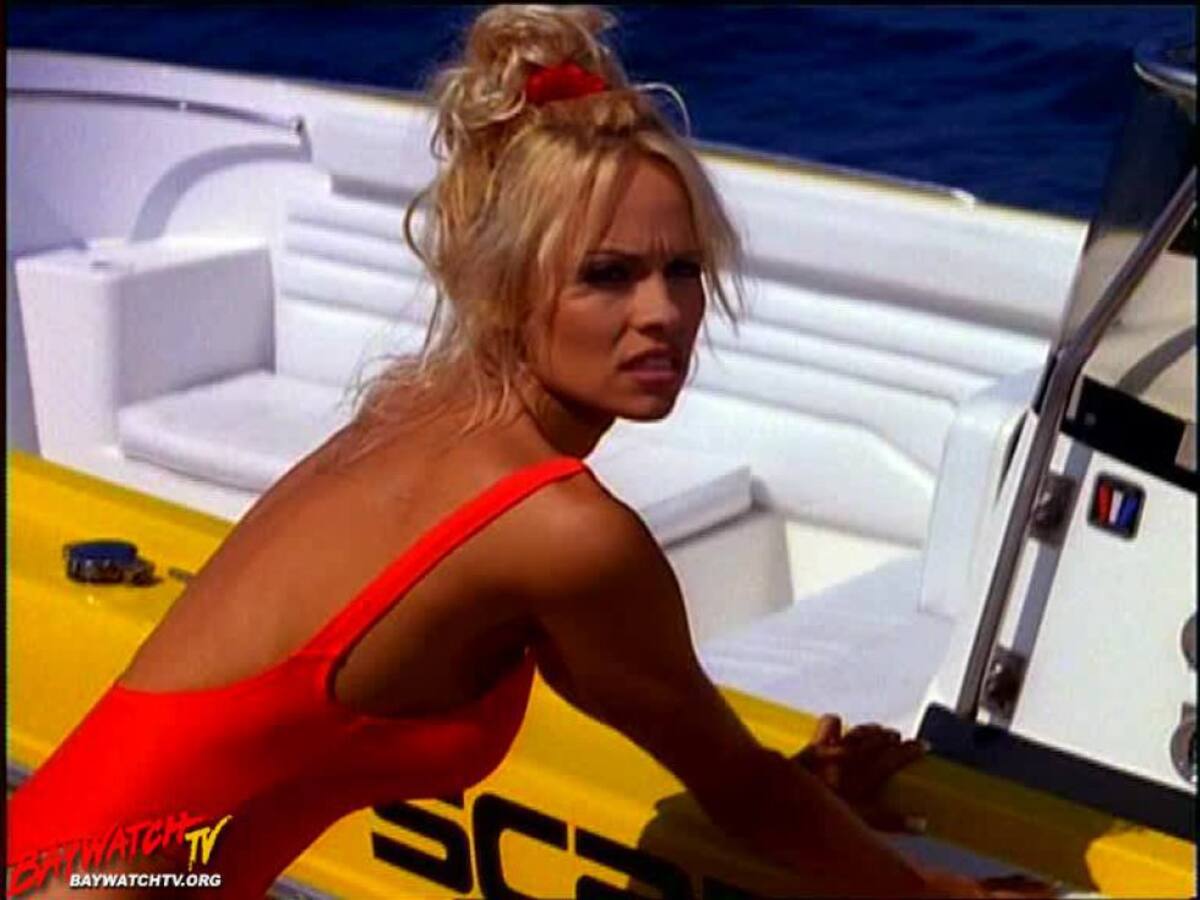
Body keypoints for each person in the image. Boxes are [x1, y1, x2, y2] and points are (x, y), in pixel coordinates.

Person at [6, 6, 1051, 898]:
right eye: (607, 276)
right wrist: (940, 893)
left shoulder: (417, 412)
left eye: (683, 269)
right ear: (506, 285)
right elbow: (738, 791)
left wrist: (795, 792)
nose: (662, 312)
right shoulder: (561, 532)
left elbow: (698, 746)